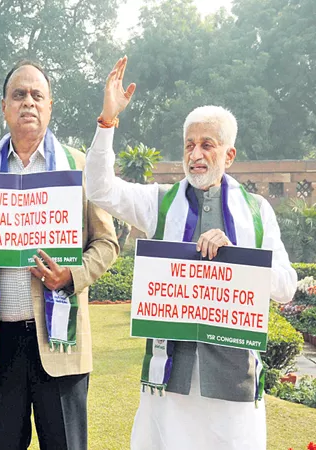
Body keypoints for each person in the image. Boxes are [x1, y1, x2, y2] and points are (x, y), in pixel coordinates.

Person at [84, 57, 297, 449]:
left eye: (207, 145)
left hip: (233, 381)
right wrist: (107, 122)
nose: (195, 154)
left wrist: (238, 259)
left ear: (228, 155)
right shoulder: (160, 202)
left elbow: (285, 287)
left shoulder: (257, 212)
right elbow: (100, 189)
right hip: (171, 380)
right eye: (189, 145)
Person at [0, 61, 118, 450]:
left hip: (60, 340)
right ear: (4, 106)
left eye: (37, 95)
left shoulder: (80, 167)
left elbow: (107, 244)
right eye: (19, 95)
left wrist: (71, 275)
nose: (28, 103)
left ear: (50, 105)